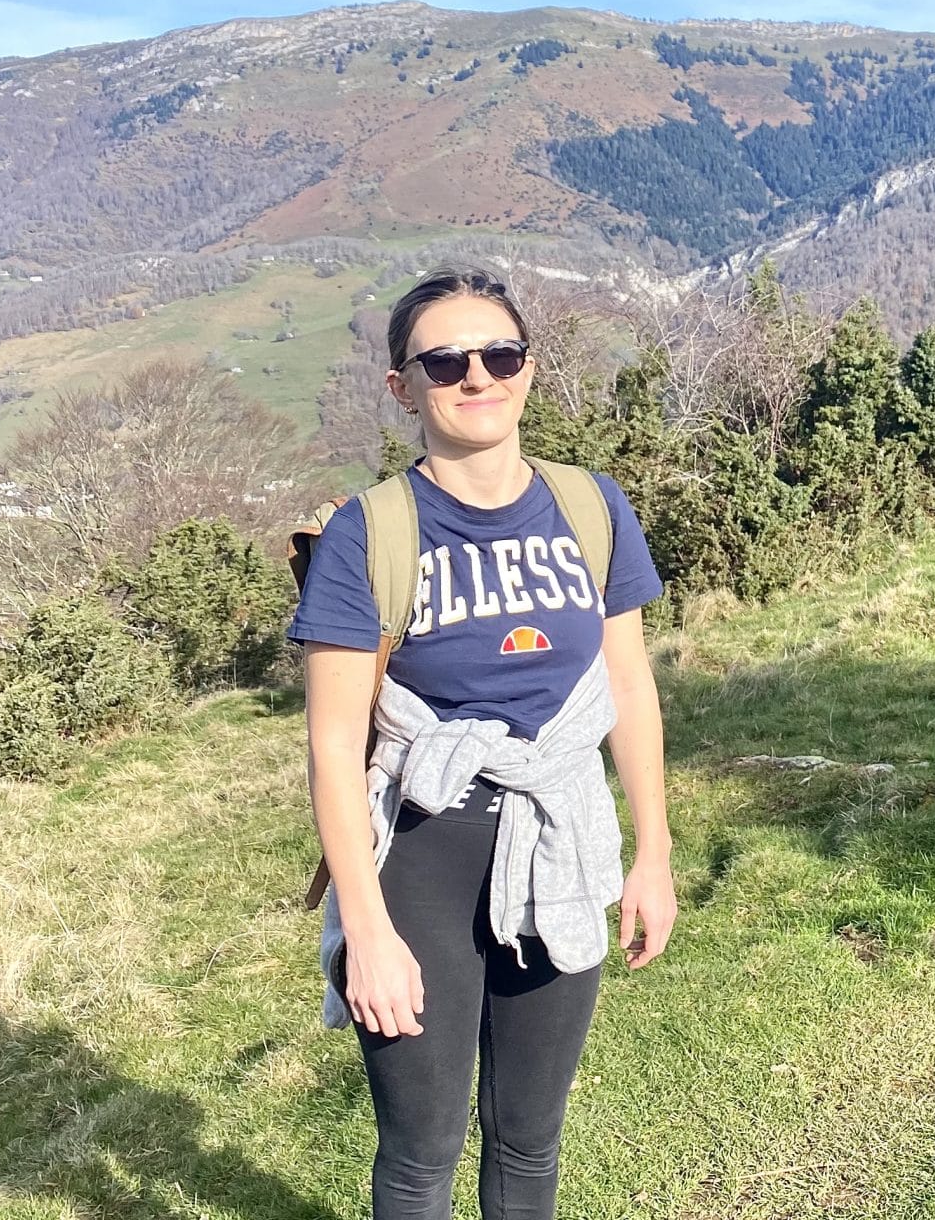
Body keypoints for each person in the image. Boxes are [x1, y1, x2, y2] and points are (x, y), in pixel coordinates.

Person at [291, 269, 676, 1219]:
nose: (477, 376)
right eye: (445, 362)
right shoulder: (370, 535)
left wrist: (654, 854)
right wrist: (367, 931)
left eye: (500, 355)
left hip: (561, 833)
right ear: (402, 386)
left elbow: (628, 686)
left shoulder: (591, 507)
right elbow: (334, 746)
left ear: (528, 370)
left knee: (529, 1138)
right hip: (425, 852)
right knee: (421, 1151)